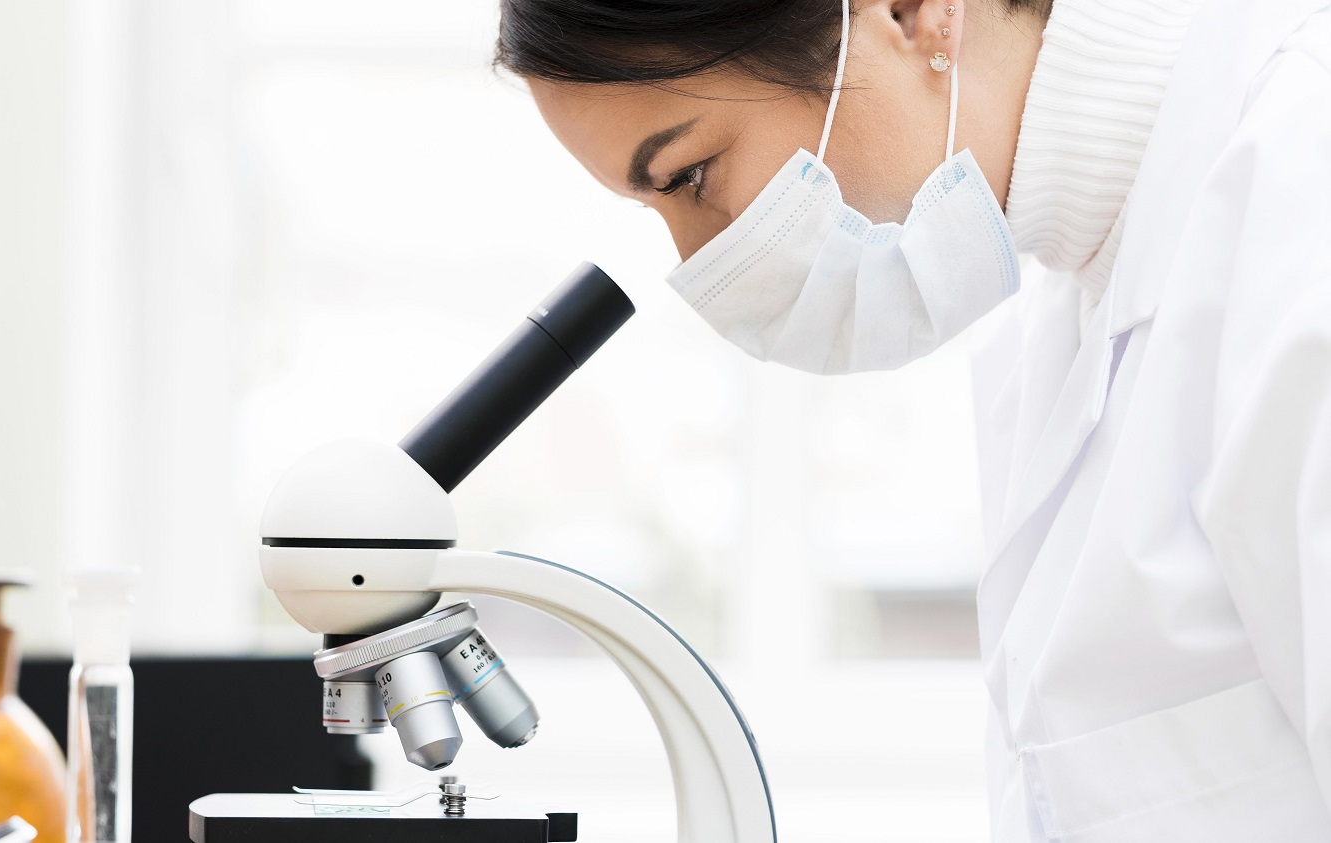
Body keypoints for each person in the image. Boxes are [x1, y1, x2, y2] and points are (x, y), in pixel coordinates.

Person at [494, 0, 1331, 839]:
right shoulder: (1063, 306)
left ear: (909, 14)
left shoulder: (1300, 212)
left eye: (692, 174)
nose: (698, 259)